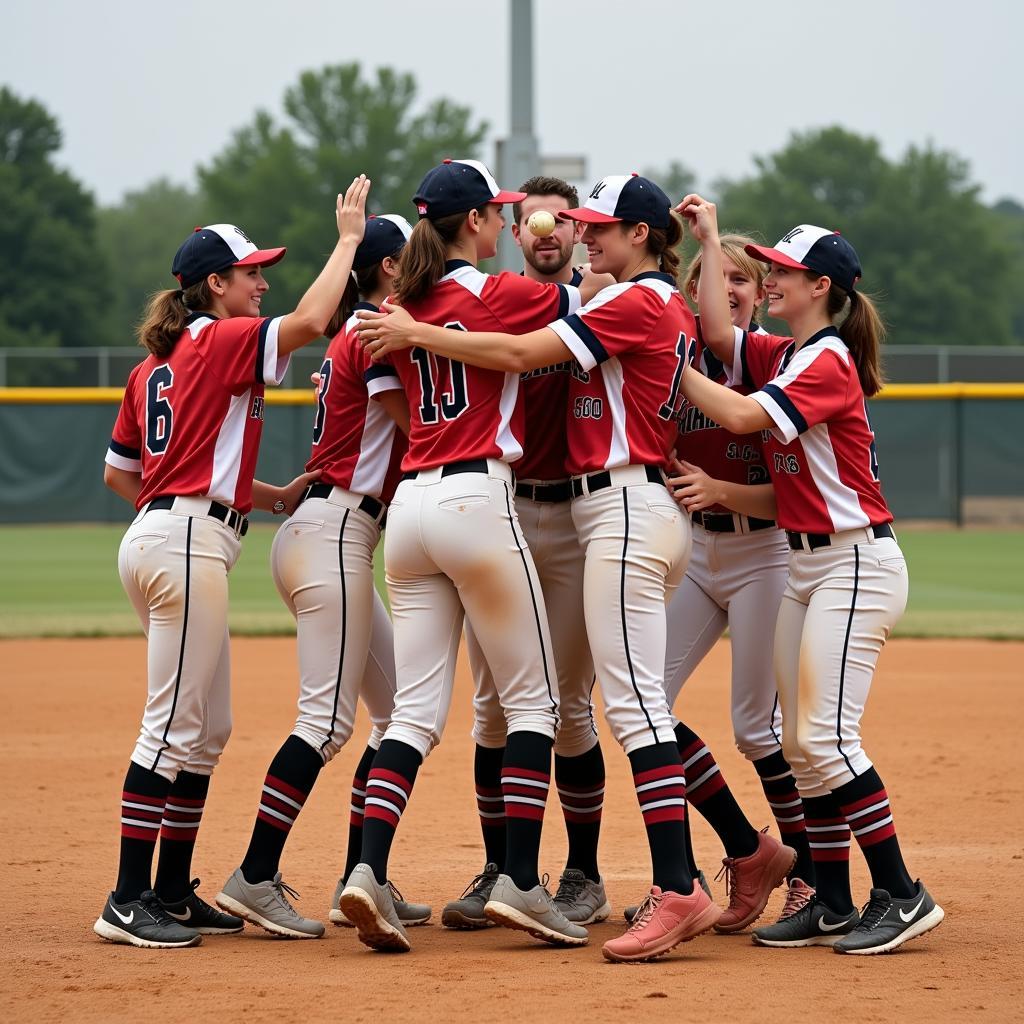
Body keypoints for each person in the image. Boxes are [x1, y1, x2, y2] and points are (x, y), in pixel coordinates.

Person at [358, 173, 724, 964]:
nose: (586, 237)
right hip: (581, 508)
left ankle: (677, 884)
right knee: (604, 706)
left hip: (618, 504)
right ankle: (651, 874)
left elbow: (522, 350)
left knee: (628, 710)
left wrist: (420, 332)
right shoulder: (636, 299)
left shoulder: (635, 301)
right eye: (579, 226)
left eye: (602, 228)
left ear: (645, 235)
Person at [94, 176, 372, 949]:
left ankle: (174, 889)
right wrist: (347, 240)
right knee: (172, 728)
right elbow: (316, 319)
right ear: (214, 284)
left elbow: (124, 474)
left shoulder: (156, 365)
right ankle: (125, 898)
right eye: (251, 272)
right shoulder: (218, 338)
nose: (263, 282)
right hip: (184, 544)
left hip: (170, 533)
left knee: (208, 727)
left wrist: (251, 494)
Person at [338, 159, 606, 954]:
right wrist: (588, 251)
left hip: (411, 509)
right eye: (501, 214)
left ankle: (366, 871)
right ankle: (523, 882)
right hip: (477, 498)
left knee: (416, 713)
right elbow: (593, 302)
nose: (512, 224)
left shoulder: (401, 301)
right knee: (535, 704)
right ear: (479, 224)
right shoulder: (496, 292)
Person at [676, 195, 944, 955]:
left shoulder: (826, 358)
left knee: (826, 737)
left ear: (821, 287)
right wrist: (705, 241)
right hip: (805, 564)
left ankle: (900, 891)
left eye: (786, 274)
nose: (773, 282)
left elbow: (738, 419)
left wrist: (669, 365)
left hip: (854, 562)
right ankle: (830, 899)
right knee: (797, 744)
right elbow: (727, 342)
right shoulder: (797, 354)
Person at [215, 214, 430, 939]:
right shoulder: (374, 327)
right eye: (413, 254)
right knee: (326, 722)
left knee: (402, 711)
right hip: (334, 533)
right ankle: (253, 874)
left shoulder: (368, 326)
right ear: (392, 268)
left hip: (330, 531)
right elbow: (421, 427)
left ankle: (359, 876)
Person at [445, 177, 610, 931]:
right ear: (511, 229)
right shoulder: (496, 301)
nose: (546, 230)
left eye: (562, 221)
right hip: (503, 512)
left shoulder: (601, 301)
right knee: (492, 708)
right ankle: (501, 868)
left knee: (571, 707)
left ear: (578, 232)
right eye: (530, 220)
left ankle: (582, 874)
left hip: (575, 516)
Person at [658, 236, 810, 932]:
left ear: (756, 293)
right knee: (644, 705)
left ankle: (808, 873)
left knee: (757, 728)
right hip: (695, 552)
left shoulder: (775, 359)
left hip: (764, 556)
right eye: (712, 280)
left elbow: (793, 501)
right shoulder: (672, 358)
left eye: (741, 280)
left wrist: (719, 487)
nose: (727, 288)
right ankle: (727, 861)